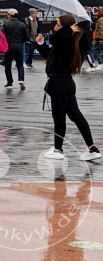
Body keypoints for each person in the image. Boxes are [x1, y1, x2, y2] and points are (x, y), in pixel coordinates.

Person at [35, 14, 101, 162]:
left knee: (59, 117)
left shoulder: (70, 40)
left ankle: (58, 149)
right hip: (64, 82)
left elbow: (56, 39)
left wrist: (66, 30)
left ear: (67, 27)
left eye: (58, 25)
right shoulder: (68, 41)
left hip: (59, 83)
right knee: (75, 115)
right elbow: (51, 56)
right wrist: (40, 44)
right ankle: (91, 147)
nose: (55, 28)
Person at [0, 8, 30, 90]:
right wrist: (21, 41)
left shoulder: (6, 24)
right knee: (20, 64)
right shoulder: (22, 24)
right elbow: (27, 37)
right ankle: (21, 79)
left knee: (8, 64)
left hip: (9, 46)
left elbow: (2, 35)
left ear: (10, 15)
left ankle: (9, 82)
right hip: (19, 46)